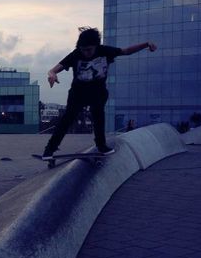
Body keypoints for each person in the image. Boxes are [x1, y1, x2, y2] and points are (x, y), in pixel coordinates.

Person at [42, 27, 157, 159]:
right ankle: (49, 149)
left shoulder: (104, 51)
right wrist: (52, 75)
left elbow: (126, 51)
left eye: (89, 50)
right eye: (83, 50)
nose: (86, 53)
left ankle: (101, 145)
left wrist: (146, 44)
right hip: (78, 93)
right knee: (67, 120)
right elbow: (53, 70)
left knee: (98, 116)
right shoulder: (76, 54)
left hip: (98, 92)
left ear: (96, 46)